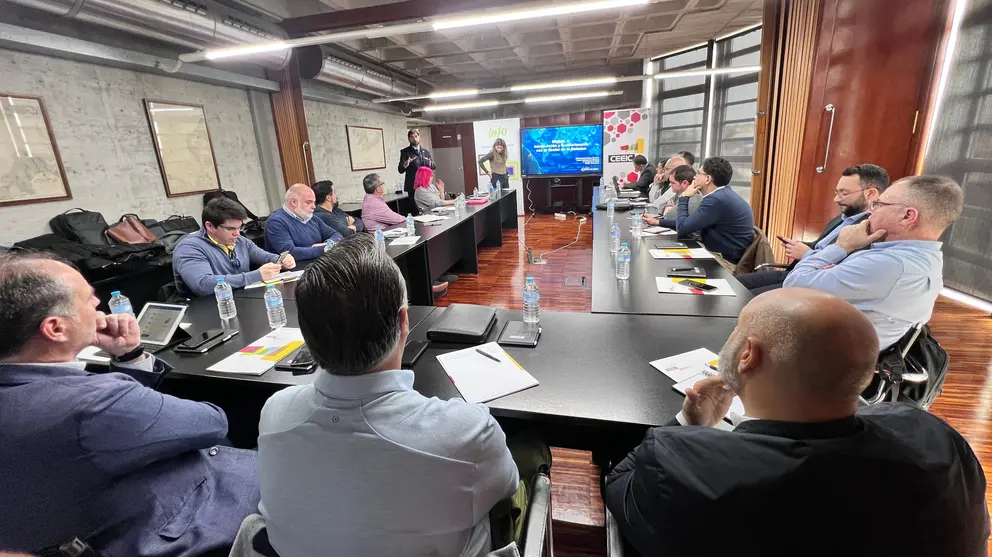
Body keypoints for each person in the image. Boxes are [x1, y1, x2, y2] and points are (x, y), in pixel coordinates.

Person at [604, 288, 989, 557]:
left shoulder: (683, 461)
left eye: (738, 330)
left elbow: (619, 485)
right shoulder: (939, 439)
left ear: (748, 355)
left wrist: (688, 425)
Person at [257, 235, 545, 557]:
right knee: (531, 449)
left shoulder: (274, 414)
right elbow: (506, 487)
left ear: (306, 338)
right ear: (404, 321)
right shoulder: (468, 431)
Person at [0, 253, 259, 557]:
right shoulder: (94, 404)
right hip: (174, 527)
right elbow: (213, 423)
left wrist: (128, 356)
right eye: (89, 301)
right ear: (55, 329)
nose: (98, 307)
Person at [784, 175, 963, 350]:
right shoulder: (923, 258)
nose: (870, 211)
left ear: (907, 216)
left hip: (817, 358)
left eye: (879, 204)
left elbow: (793, 285)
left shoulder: (890, 265)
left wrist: (841, 246)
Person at [737, 164, 889, 294]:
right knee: (732, 285)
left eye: (844, 193)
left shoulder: (871, 230)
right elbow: (821, 245)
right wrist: (800, 245)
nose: (836, 199)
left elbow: (842, 271)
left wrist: (807, 254)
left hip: (812, 286)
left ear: (871, 193)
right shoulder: (842, 217)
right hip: (793, 273)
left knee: (742, 300)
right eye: (836, 193)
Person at [173, 197, 296, 297]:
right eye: (230, 229)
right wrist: (257, 275)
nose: (237, 233)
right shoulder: (189, 248)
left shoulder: (240, 241)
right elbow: (202, 285)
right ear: (210, 226)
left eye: (239, 227)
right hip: (209, 309)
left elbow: (266, 257)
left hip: (243, 300)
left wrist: (281, 261)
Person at [658, 156, 754, 263]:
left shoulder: (716, 200)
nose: (694, 177)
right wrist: (658, 222)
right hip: (722, 254)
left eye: (698, 173)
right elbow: (689, 223)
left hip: (724, 262)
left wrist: (684, 197)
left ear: (707, 179)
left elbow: (681, 228)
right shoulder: (722, 194)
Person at [264, 183, 343, 263]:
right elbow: (290, 252)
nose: (314, 207)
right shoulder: (276, 222)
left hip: (317, 264)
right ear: (294, 202)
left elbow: (337, 234)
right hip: (293, 271)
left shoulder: (310, 217)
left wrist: (329, 243)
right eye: (309, 202)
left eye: (314, 202)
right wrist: (325, 248)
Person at [398, 128, 436, 196]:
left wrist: (431, 164)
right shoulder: (405, 152)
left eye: (416, 136)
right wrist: (406, 164)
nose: (414, 139)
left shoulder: (426, 152)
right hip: (413, 186)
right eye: (412, 137)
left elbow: (434, 166)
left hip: (425, 185)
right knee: (414, 206)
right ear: (409, 139)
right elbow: (400, 170)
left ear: (419, 137)